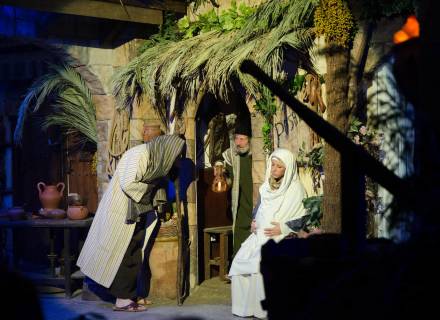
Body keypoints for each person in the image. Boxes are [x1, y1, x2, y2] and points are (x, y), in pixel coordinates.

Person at [77, 135, 185, 312]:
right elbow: (128, 183)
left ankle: (131, 295)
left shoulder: (156, 160)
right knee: (123, 253)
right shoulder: (139, 155)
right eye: (176, 155)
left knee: (134, 251)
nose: (175, 159)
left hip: (138, 210)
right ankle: (122, 300)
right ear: (167, 149)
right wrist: (151, 190)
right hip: (123, 211)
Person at [228, 148, 309, 319]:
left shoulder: (296, 189)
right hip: (258, 237)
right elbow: (259, 208)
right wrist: (254, 221)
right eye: (273, 165)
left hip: (279, 239)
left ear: (287, 169)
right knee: (238, 262)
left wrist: (284, 228)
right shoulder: (265, 187)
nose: (274, 169)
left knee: (259, 264)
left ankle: (261, 310)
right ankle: (244, 308)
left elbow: (303, 217)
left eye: (279, 167)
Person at [216, 115, 253, 255]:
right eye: (236, 138)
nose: (238, 143)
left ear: (249, 140)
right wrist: (221, 174)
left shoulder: (256, 156)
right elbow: (228, 178)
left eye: (242, 139)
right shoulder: (233, 156)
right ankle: (237, 271)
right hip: (241, 206)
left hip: (255, 203)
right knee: (239, 235)